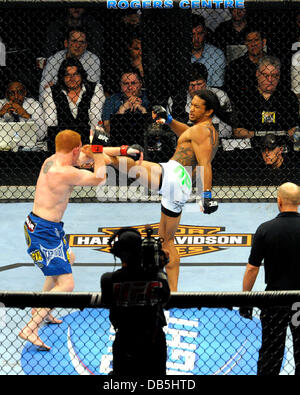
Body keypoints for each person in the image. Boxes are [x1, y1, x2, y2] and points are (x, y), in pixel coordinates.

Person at [106, 89, 222, 292]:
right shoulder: (205, 129)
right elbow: (186, 133)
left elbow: (205, 164)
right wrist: (168, 119)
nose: (191, 109)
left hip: (176, 175)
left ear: (209, 111)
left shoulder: (202, 131)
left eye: (197, 106)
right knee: (166, 240)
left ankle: (101, 150)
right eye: (191, 104)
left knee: (129, 164)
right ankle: (174, 293)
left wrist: (207, 195)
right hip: (179, 180)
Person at [241, 182, 300, 375]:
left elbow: (252, 269)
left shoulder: (266, 229)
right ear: (298, 202)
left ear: (279, 201)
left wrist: (245, 299)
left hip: (275, 299)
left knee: (271, 352)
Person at [100, 226, 170, 375]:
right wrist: (160, 267)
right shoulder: (157, 277)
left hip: (126, 340)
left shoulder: (108, 279)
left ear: (118, 253)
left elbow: (107, 302)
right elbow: (165, 300)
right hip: (153, 340)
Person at [233, 56, 299, 147]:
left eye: (274, 75)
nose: (270, 80)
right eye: (266, 75)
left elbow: (295, 128)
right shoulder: (244, 97)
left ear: (279, 76)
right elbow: (237, 131)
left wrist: (253, 133)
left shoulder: (288, 96)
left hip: (282, 147)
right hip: (251, 146)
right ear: (257, 74)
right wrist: (282, 133)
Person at [42, 57, 105, 146]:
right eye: (67, 75)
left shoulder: (95, 89)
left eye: (75, 74)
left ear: (82, 75)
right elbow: (51, 122)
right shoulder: (51, 92)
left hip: (88, 140)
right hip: (62, 141)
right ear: (62, 77)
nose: (72, 78)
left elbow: (95, 118)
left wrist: (90, 143)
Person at [167, 63, 233, 139]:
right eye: (192, 85)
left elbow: (228, 128)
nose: (196, 89)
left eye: (199, 84)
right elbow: (171, 128)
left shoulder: (220, 96)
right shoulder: (176, 100)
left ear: (206, 82)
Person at [39, 28, 101, 101]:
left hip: (84, 102)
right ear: (66, 43)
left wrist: (56, 87)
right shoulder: (54, 59)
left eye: (81, 42)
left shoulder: (93, 60)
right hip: (57, 102)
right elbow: (43, 87)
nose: (78, 45)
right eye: (74, 41)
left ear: (85, 45)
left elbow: (93, 88)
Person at [102, 69, 150, 147]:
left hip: (146, 144)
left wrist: (143, 110)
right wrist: (122, 109)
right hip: (118, 144)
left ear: (141, 84)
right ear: (120, 85)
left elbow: (155, 130)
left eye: (133, 83)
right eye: (125, 84)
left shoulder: (149, 98)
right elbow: (108, 130)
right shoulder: (111, 100)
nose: (130, 87)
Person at [224, 26, 268, 105]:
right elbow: (231, 93)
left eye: (256, 40)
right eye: (250, 41)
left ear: (263, 42)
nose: (253, 44)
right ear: (245, 43)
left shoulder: (273, 63)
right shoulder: (235, 66)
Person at [0, 81, 47, 150]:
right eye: (12, 93)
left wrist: (26, 115)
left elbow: (41, 135)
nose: (16, 96)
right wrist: (1, 114)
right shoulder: (1, 104)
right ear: (7, 95)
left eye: (19, 92)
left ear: (25, 93)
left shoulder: (34, 105)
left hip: (29, 148)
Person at [191, 14, 226, 88]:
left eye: (200, 33)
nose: (196, 38)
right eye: (193, 34)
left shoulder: (216, 55)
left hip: (210, 96)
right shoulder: (180, 53)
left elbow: (216, 88)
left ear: (205, 32)